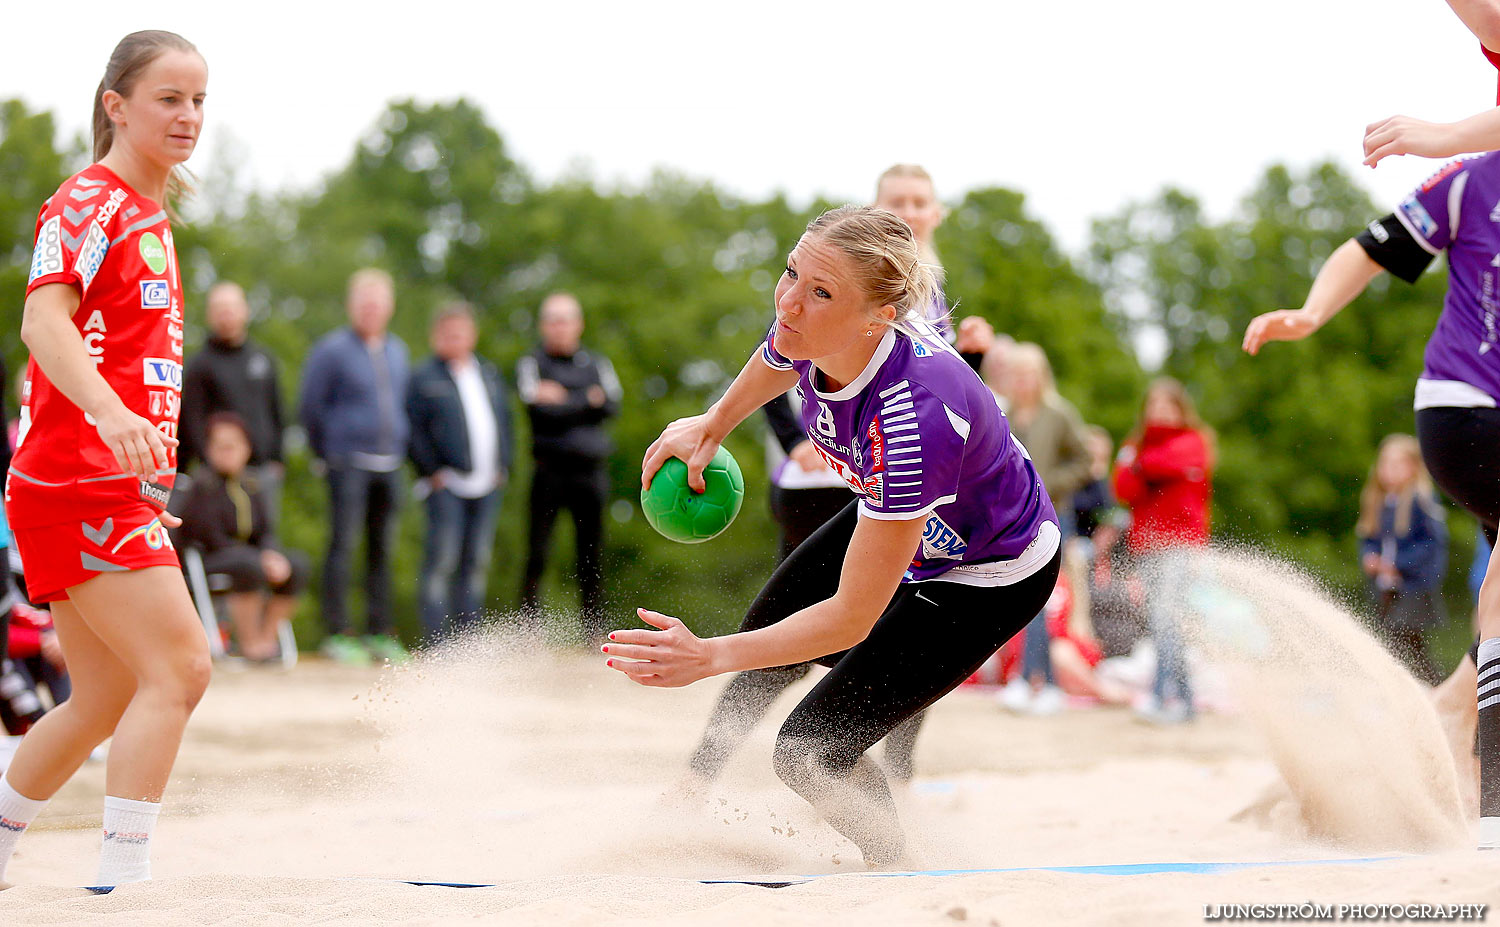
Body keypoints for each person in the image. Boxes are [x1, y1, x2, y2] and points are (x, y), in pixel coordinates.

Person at [606, 206, 1061, 867]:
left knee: (809, 750)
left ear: (876, 316)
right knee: (772, 623)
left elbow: (851, 616)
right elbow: (776, 354)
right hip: (911, 517)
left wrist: (707, 654)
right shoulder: (816, 325)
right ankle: (693, 781)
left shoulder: (911, 423)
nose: (790, 300)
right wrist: (714, 422)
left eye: (819, 291)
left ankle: (895, 864)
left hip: (991, 572)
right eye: (792, 271)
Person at [0, 30, 210, 887]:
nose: (189, 115)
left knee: (106, 696)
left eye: (199, 99)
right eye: (169, 97)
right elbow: (42, 323)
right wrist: (110, 416)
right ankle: (124, 880)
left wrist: (140, 472)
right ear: (115, 105)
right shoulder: (89, 200)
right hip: (73, 477)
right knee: (182, 668)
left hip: (95, 483)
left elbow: (130, 361)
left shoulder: (150, 213)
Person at [1241, 151, 1500, 844]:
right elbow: (1372, 247)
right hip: (1465, 409)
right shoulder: (1475, 181)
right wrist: (1312, 311)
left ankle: (1441, 719)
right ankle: (1479, 762)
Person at [689, 165, 967, 787]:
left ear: (937, 213)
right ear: (878, 208)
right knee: (784, 625)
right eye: (898, 201)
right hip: (823, 484)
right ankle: (702, 771)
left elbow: (940, 402)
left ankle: (893, 774)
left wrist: (970, 359)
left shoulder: (926, 299)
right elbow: (780, 354)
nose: (910, 211)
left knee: (882, 633)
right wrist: (769, 438)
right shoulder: (836, 276)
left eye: (920, 202)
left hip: (902, 498)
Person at [299, 268, 410, 666]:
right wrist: (325, 452)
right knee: (342, 545)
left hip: (390, 463)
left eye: (378, 302)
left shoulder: (398, 350)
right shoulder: (331, 351)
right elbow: (311, 407)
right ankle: (339, 632)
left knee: (382, 549)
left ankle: (381, 631)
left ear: (389, 306)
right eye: (364, 302)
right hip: (347, 461)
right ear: (352, 306)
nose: (371, 310)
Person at [515, 292, 621, 644]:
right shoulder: (531, 361)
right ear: (544, 325)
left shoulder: (596, 362)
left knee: (591, 553)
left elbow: (611, 404)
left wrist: (563, 398)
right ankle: (527, 629)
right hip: (548, 471)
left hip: (590, 472)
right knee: (537, 551)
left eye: (566, 319)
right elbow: (538, 409)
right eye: (553, 319)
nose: (560, 327)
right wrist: (585, 400)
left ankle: (593, 631)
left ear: (579, 324)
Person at [997, 343, 1094, 715]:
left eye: (1028, 374)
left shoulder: (1060, 414)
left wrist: (1052, 481)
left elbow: (1084, 460)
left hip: (1054, 514)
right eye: (1016, 374)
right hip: (1014, 515)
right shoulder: (1002, 413)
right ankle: (1030, 681)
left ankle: (1036, 681)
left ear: (1040, 376)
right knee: (1022, 599)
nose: (1022, 381)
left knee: (1042, 601)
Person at [406, 303, 512, 640]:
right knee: (441, 562)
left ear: (472, 334)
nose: (455, 339)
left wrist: (504, 465)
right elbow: (412, 429)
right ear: (436, 336)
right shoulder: (423, 377)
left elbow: (505, 421)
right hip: (446, 485)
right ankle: (437, 642)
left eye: (461, 332)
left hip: (487, 485)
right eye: (448, 333)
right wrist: (431, 471)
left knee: (476, 562)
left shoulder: (489, 374)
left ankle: (468, 645)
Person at [1111, 378, 1213, 725]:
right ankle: (1182, 701)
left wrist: (1140, 464)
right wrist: (1141, 466)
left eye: (1167, 405)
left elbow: (1165, 465)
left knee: (1165, 620)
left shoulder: (1193, 441)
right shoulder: (1135, 445)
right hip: (1147, 547)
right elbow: (1122, 487)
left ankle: (1164, 698)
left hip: (1180, 546)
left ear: (1180, 409)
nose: (1159, 411)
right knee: (1161, 624)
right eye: (1153, 405)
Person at [175, 413, 309, 662]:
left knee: (296, 565)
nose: (228, 452)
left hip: (249, 557)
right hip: (209, 559)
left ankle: (265, 640)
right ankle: (248, 643)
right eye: (221, 446)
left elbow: (265, 532)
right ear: (208, 449)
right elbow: (206, 535)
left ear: (246, 448)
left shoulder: (253, 485)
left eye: (234, 445)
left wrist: (272, 554)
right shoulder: (200, 486)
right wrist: (260, 558)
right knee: (249, 566)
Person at [178, 281, 286, 515]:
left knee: (263, 539)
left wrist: (278, 457)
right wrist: (208, 461)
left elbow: (276, 409)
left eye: (231, 308)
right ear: (210, 315)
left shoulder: (263, 359)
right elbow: (191, 419)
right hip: (217, 475)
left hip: (262, 470)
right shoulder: (199, 366)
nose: (226, 316)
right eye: (219, 309)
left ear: (245, 310)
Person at [1357, 434, 1448, 685]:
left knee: (1405, 640)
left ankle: (1432, 686)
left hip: (1413, 588)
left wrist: (1399, 565)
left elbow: (1431, 545)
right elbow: (1368, 539)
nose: (1389, 470)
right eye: (1385, 464)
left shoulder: (1421, 501)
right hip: (1386, 587)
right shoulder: (1377, 502)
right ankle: (1417, 687)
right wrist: (1370, 558)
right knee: (1392, 641)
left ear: (1413, 467)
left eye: (1397, 464)